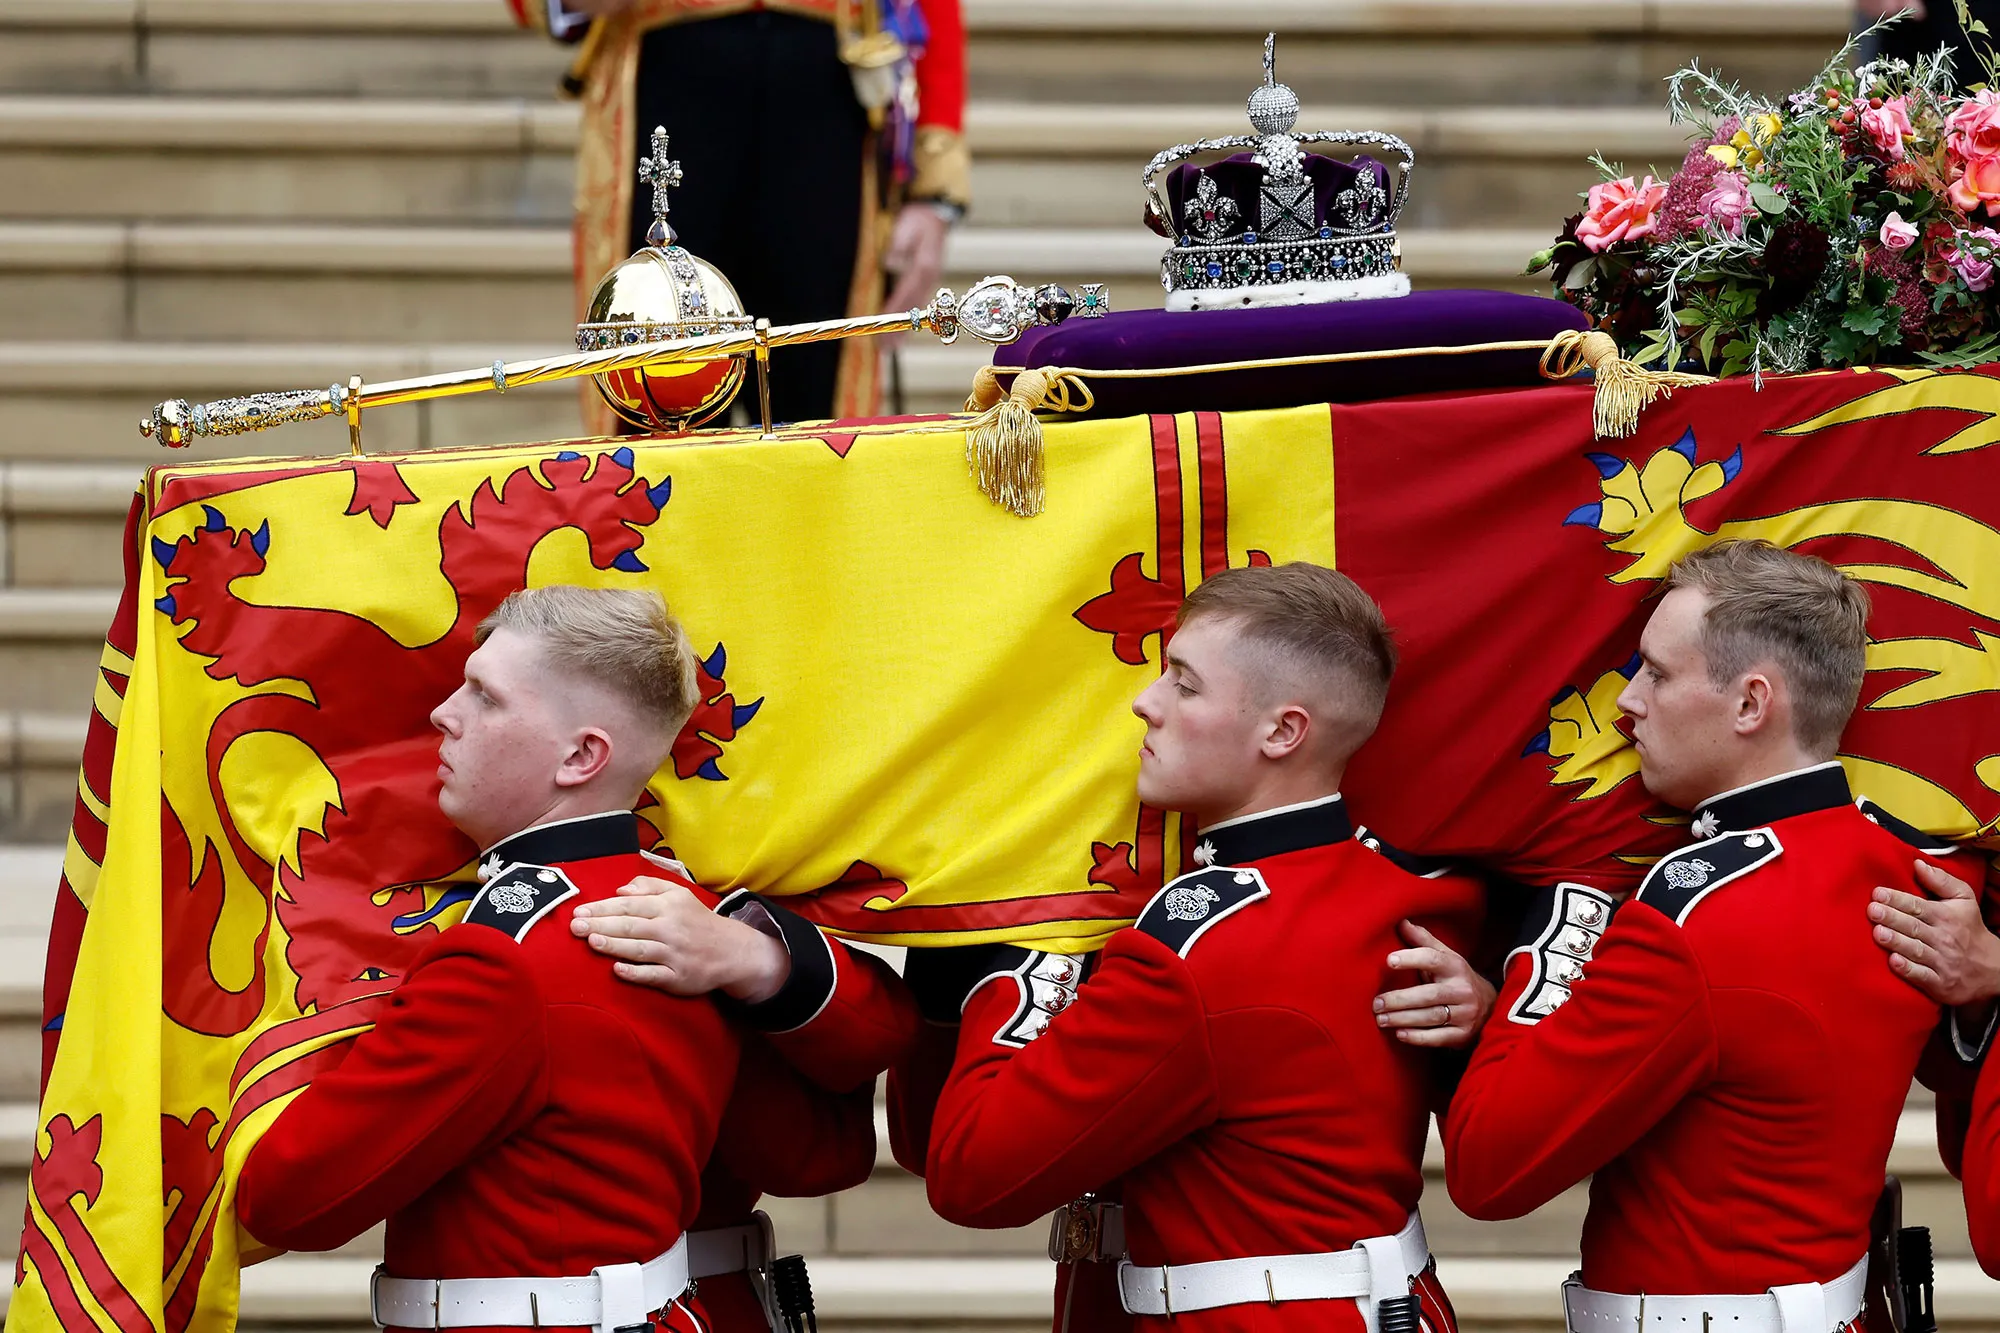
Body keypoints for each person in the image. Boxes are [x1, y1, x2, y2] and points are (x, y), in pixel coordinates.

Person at [902, 562, 1484, 1331]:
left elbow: (972, 1173)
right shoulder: (1413, 888)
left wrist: (1005, 956)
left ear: (1283, 730)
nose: (1145, 703)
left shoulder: (1199, 945)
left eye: (1184, 683)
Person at [1441, 539, 1957, 1333]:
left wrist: (1551, 938)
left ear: (1751, 704)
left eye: (1656, 671)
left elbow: (1486, 1170)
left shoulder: (1693, 921)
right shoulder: (1908, 867)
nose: (1626, 702)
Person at [236, 585, 744, 1333]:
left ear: (581, 755)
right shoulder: (695, 918)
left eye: (484, 695)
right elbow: (812, 1157)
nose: (444, 713)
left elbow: (287, 1199)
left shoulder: (502, 963)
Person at [509, 0, 968, 427]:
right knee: (656, 400)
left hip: (827, 104)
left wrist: (932, 182)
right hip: (661, 79)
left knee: (818, 428)